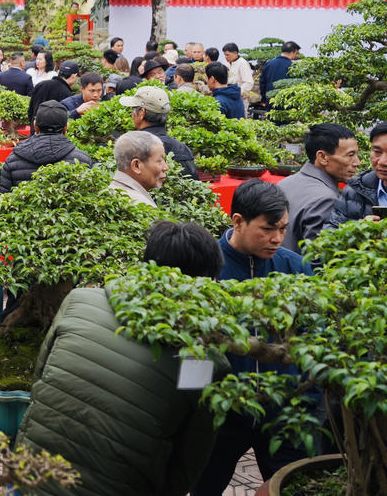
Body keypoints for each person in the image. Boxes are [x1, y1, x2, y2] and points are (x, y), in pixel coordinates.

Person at [16, 220, 225, 496]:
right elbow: (189, 459)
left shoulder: (80, 300)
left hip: (32, 472)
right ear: (203, 282)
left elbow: (40, 377)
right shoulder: (203, 359)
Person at [193, 179, 314, 495]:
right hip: (223, 415)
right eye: (267, 229)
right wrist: (196, 406)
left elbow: (315, 340)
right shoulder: (206, 269)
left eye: (283, 228)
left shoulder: (295, 267)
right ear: (238, 221)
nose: (277, 238)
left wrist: (305, 403)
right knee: (203, 486)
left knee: (293, 486)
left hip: (282, 412)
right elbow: (191, 348)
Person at [277, 122, 360, 254]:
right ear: (322, 157)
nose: (357, 162)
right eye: (350, 155)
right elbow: (318, 259)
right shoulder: (327, 200)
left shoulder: (284, 183)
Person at [0, 102, 93, 192]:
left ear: (35, 126)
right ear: (66, 128)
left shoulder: (13, 159)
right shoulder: (82, 160)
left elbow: (4, 197)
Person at [121, 85, 199, 179]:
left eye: (133, 109)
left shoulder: (134, 149)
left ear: (142, 112)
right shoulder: (182, 148)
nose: (132, 114)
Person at [333, 121, 387, 225]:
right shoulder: (354, 190)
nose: (382, 162)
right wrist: (360, 229)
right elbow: (330, 231)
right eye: (377, 152)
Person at [108, 130, 168, 207]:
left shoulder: (108, 193)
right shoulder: (142, 206)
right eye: (159, 161)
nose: (165, 168)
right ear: (136, 166)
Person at [27, 60, 78, 128]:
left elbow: (30, 110)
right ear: (74, 76)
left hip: (36, 129)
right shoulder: (67, 94)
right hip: (54, 133)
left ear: (58, 72)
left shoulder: (41, 84)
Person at [259, 41, 300, 105]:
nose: (297, 56)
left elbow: (262, 83)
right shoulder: (293, 66)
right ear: (293, 52)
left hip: (270, 101)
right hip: (288, 102)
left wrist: (263, 100)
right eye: (297, 53)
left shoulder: (268, 64)